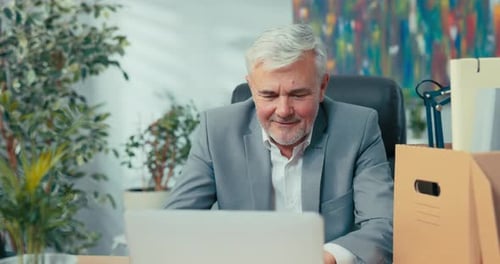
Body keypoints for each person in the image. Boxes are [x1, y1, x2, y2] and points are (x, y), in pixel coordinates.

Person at [164, 24, 394, 264]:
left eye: (298, 95)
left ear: (322, 87)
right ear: (252, 88)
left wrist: (326, 258)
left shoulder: (358, 128)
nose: (283, 111)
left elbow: (384, 225)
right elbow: (173, 225)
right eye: (269, 95)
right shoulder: (217, 130)